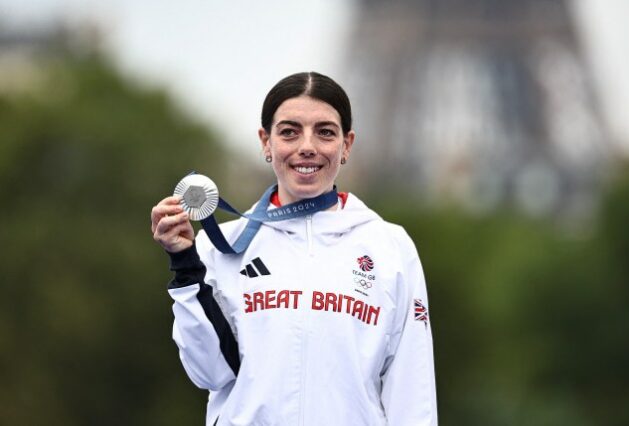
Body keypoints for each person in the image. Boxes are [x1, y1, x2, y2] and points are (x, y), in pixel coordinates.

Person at [150, 72, 437, 425]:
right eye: (289, 131)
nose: (307, 146)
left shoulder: (390, 247)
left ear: (346, 145)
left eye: (325, 132)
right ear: (265, 142)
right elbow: (208, 373)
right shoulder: (217, 245)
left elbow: (412, 387)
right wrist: (183, 262)